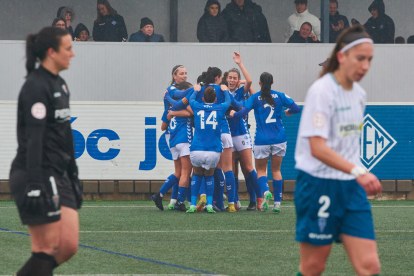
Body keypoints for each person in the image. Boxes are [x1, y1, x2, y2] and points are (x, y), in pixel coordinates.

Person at [293, 25, 382, 276]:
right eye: (360, 58)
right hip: (318, 186)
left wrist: (356, 174)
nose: (365, 66)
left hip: (351, 188)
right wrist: (359, 171)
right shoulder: (321, 91)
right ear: (342, 57)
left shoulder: (360, 94)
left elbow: (348, 146)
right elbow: (317, 148)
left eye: (370, 60)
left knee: (370, 265)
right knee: (313, 267)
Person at [9, 26, 82, 275]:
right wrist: (34, 184)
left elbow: (65, 133)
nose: (73, 54)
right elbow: (33, 140)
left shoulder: (60, 84)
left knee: (69, 245)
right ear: (52, 52)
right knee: (46, 247)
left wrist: (74, 175)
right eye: (68, 48)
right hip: (37, 174)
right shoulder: (35, 86)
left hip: (59, 174)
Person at [230, 73, 300, 212]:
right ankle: (277, 203)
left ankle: (266, 191)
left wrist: (234, 114)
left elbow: (243, 111)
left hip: (262, 139)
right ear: (272, 82)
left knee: (261, 170)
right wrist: (289, 111)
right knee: (276, 170)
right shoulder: (280, 95)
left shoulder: (255, 97)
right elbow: (297, 108)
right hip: (279, 138)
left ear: (260, 83)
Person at [225, 52, 262, 211]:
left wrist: (240, 64)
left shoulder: (241, 92)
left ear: (238, 81)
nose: (232, 80)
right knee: (232, 170)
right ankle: (235, 202)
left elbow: (250, 82)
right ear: (226, 79)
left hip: (241, 133)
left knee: (248, 168)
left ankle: (258, 198)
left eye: (235, 78)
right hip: (228, 135)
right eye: (230, 78)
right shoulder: (223, 92)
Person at [186, 86, 232, 213]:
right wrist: (226, 90)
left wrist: (195, 89)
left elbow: (190, 98)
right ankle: (210, 205)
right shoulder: (220, 107)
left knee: (197, 175)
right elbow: (228, 101)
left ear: (203, 98)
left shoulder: (196, 105)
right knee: (209, 176)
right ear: (216, 99)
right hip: (213, 150)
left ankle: (192, 205)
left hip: (197, 149)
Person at [152, 65, 191, 211]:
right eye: (181, 73)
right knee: (186, 171)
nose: (185, 76)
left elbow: (164, 124)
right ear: (174, 76)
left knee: (179, 171)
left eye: (186, 73)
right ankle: (180, 201)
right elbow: (185, 106)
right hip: (179, 134)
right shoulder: (173, 90)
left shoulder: (176, 93)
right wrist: (195, 89)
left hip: (172, 133)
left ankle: (168, 198)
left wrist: (170, 114)